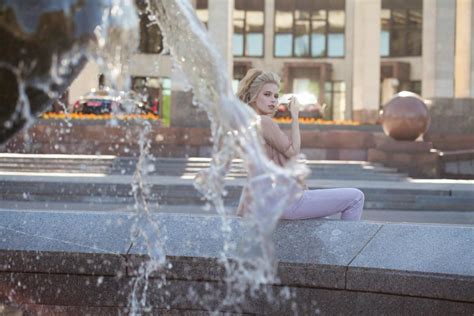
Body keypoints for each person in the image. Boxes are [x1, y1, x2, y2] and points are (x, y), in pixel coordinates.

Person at [236, 69, 364, 221]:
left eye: (276, 96)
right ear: (253, 96)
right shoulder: (264, 122)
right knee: (356, 197)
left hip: (268, 203)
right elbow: (293, 151)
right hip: (286, 201)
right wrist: (295, 116)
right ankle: (349, 245)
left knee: (323, 223)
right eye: (267, 94)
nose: (273, 100)